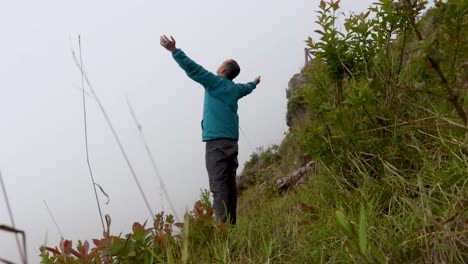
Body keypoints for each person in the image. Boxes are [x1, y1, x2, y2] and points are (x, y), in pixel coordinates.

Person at [160, 35, 260, 224]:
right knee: (229, 185)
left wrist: (174, 51)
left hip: (217, 144)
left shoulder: (214, 83)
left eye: (221, 63)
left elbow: (194, 69)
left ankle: (223, 231)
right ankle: (231, 225)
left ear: (223, 69)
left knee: (219, 186)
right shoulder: (235, 89)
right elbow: (247, 88)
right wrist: (254, 83)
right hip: (232, 142)